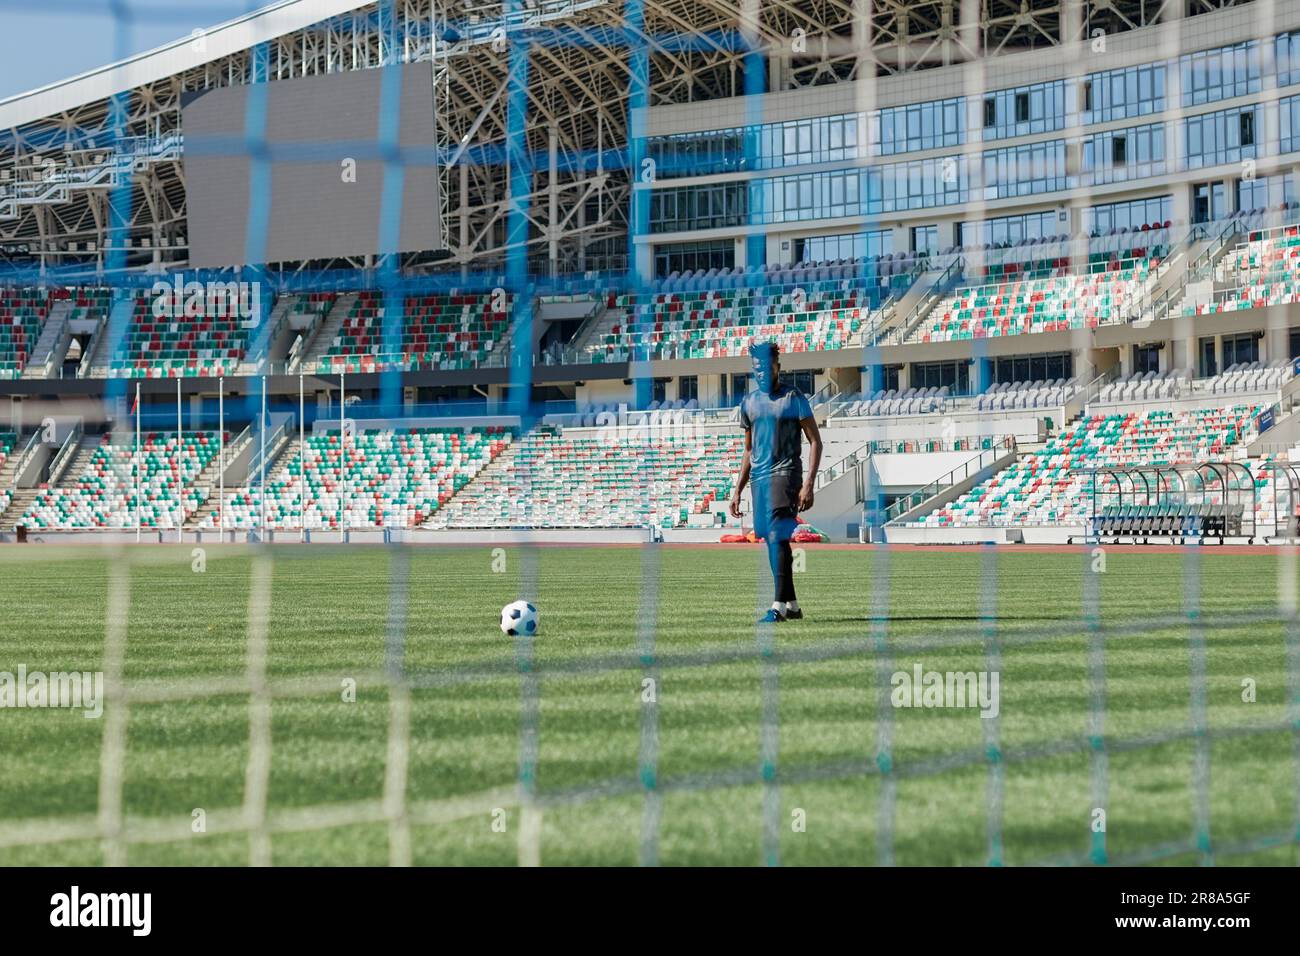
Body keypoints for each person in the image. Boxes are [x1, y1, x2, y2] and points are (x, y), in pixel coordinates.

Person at [729, 340, 823, 623]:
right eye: (756, 370)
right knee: (770, 538)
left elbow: (815, 441)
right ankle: (792, 605)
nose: (761, 374)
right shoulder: (748, 403)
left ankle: (778, 606)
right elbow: (749, 450)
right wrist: (738, 490)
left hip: (786, 474)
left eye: (766, 369)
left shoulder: (793, 398)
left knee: (775, 535)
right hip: (759, 478)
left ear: (777, 367)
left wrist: (808, 484)